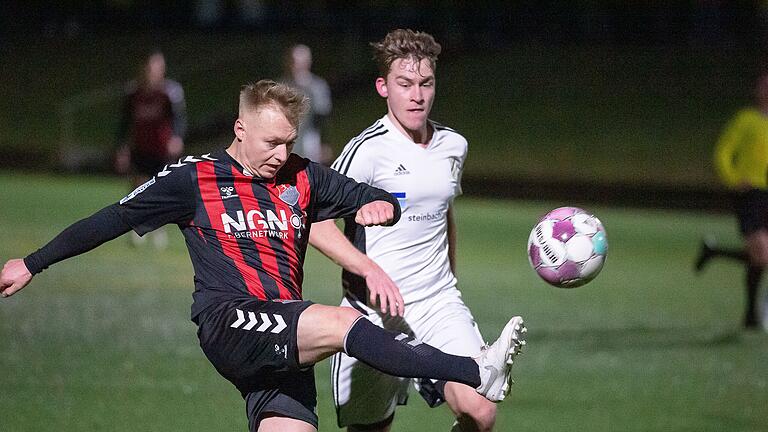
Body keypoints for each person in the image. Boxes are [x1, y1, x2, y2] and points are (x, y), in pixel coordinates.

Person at [0, 80, 526, 432]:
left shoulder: (301, 174)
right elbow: (112, 219)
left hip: (282, 335)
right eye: (271, 142)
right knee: (345, 322)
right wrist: (32, 262)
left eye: (289, 142)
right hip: (229, 319)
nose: (281, 154)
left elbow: (370, 195)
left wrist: (380, 208)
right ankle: (474, 369)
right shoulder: (193, 179)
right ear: (240, 129)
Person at [308, 29, 525, 432]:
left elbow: (445, 214)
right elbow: (315, 222)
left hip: (437, 304)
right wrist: (368, 270)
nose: (417, 95)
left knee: (481, 410)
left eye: (425, 84)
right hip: (371, 316)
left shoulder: (453, 146)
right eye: (405, 84)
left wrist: (451, 283)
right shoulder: (366, 151)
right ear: (383, 87)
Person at [696, 72, 768, 330]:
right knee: (762, 253)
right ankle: (752, 314)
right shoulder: (746, 120)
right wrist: (734, 177)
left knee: (760, 257)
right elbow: (724, 151)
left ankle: (713, 252)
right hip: (751, 194)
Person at [115, 50, 187, 248]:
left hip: (162, 149)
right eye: (150, 68)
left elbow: (179, 118)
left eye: (157, 68)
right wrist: (122, 148)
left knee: (161, 189)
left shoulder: (170, 91)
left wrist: (177, 137)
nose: (153, 72)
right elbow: (125, 121)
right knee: (138, 188)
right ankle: (137, 228)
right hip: (140, 147)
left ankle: (159, 228)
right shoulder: (133, 92)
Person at [280, 44, 332, 164]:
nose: (297, 65)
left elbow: (322, 117)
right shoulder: (280, 86)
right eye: (294, 61)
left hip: (309, 139)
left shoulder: (317, 87)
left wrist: (324, 143)